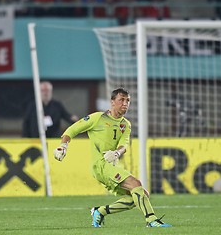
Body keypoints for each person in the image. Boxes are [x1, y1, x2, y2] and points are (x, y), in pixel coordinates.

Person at [53, 87, 172, 228]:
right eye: (121, 100)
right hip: (100, 165)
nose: (125, 104)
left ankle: (100, 211)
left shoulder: (125, 125)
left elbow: (124, 145)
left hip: (112, 165)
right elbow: (72, 130)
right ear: (112, 102)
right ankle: (151, 220)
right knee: (136, 184)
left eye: (128, 100)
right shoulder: (97, 118)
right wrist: (63, 146)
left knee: (141, 195)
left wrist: (117, 153)